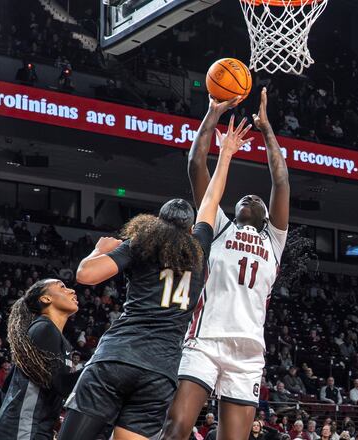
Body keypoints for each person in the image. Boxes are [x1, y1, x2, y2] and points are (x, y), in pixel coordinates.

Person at [57, 117, 249, 440]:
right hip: (161, 371)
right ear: (191, 230)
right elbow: (210, 201)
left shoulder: (141, 244)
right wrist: (227, 153)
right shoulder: (200, 248)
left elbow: (85, 276)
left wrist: (96, 250)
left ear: (157, 224)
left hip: (118, 356)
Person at [161, 88, 289, 440]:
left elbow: (281, 180)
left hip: (248, 351)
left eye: (258, 200)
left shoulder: (274, 241)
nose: (250, 197)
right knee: (176, 428)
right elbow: (195, 165)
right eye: (244, 197)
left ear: (267, 217)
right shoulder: (217, 226)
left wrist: (266, 130)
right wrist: (212, 114)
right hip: (206, 340)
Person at [0, 279, 80, 440]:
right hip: (23, 428)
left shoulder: (52, 334)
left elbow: (6, 386)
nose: (72, 290)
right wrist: (98, 364)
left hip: (32, 427)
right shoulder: (43, 328)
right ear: (46, 299)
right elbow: (61, 384)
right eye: (62, 287)